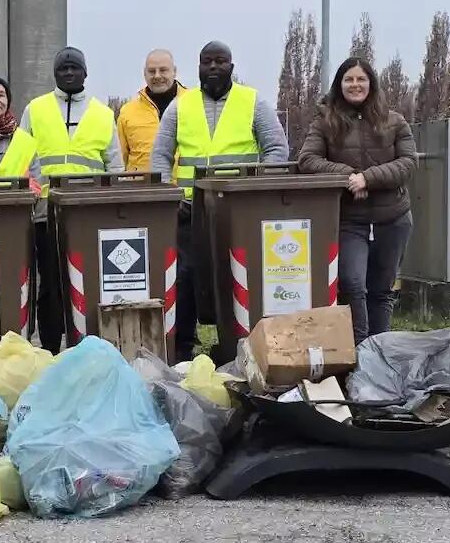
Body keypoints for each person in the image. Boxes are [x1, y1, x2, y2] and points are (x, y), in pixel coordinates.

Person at [150, 40, 289, 361]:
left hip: (239, 210)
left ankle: (239, 346)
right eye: (206, 62)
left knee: (237, 277)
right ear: (198, 68)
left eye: (220, 61)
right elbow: (160, 153)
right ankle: (182, 350)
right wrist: (166, 196)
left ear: (231, 67)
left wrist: (256, 190)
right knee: (183, 278)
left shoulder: (253, 102)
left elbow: (277, 149)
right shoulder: (180, 106)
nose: (213, 67)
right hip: (189, 210)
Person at [298, 57, 416, 344]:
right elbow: (307, 159)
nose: (355, 85)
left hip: (393, 218)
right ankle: (359, 348)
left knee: (382, 290)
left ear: (371, 84)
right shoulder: (325, 122)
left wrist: (369, 178)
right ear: (340, 85)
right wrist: (350, 176)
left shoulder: (394, 121)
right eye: (349, 79)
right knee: (352, 284)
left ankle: (380, 350)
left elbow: (408, 163)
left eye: (361, 79)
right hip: (350, 220)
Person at [20, 46, 123, 353]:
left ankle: (86, 344)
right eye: (62, 69)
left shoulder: (104, 114)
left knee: (87, 281)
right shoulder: (34, 110)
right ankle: (50, 347)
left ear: (84, 73)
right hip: (45, 213)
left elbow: (114, 166)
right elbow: (22, 160)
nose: (68, 73)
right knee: (50, 285)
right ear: (55, 73)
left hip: (89, 216)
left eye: (74, 68)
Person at [118, 49, 186, 173]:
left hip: (184, 189)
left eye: (163, 70)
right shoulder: (127, 112)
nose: (157, 76)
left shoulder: (192, 105)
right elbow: (119, 161)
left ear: (174, 72)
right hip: (141, 190)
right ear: (144, 74)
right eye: (151, 71)